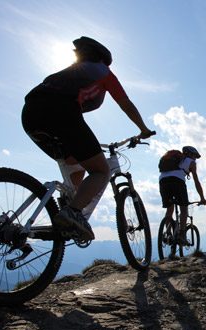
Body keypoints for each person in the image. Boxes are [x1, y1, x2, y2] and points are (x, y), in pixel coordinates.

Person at [22, 36, 154, 241]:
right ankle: (72, 212)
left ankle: (66, 211)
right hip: (62, 111)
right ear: (103, 59)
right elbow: (125, 104)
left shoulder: (68, 73)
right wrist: (143, 129)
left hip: (30, 114)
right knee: (100, 170)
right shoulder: (104, 72)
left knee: (78, 163)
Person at [159, 146, 206, 245]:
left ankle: (168, 233)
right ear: (189, 154)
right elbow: (196, 182)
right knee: (184, 208)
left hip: (163, 181)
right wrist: (202, 198)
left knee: (169, 208)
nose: (195, 159)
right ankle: (182, 235)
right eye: (195, 156)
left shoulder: (175, 160)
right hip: (177, 181)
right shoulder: (191, 162)